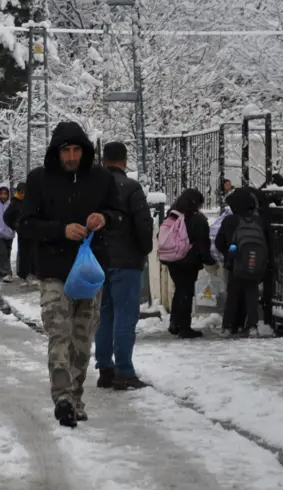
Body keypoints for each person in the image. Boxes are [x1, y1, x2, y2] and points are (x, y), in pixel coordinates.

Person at [19, 122, 120, 428]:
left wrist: (104, 218)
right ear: (57, 152)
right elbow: (26, 224)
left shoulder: (102, 179)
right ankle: (62, 397)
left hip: (89, 272)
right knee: (59, 332)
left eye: (77, 150)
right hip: (54, 271)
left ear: (85, 151)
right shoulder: (39, 180)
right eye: (67, 151)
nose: (72, 156)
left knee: (82, 338)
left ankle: (76, 396)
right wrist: (60, 230)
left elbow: (119, 215)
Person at [93, 142, 155, 391]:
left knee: (105, 314)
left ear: (103, 160)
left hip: (100, 261)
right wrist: (144, 250)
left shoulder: (94, 188)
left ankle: (105, 368)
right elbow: (143, 224)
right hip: (126, 261)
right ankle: (124, 371)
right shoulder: (130, 187)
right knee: (125, 317)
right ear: (125, 161)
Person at [161, 189, 215, 342]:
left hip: (173, 260)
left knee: (179, 291)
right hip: (189, 261)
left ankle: (175, 323)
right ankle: (184, 328)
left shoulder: (173, 215)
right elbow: (203, 243)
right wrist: (209, 261)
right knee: (186, 293)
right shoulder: (197, 219)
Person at [215, 187, 268, 337]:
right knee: (251, 294)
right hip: (254, 262)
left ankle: (228, 326)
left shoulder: (230, 220)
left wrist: (229, 254)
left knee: (233, 294)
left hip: (235, 263)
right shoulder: (258, 220)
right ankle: (252, 326)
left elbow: (219, 242)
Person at [4, 182, 33, 287]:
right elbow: (6, 216)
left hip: (31, 230)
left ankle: (30, 273)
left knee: (32, 253)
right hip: (22, 231)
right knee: (23, 253)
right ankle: (22, 275)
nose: (23, 195)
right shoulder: (14, 203)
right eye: (21, 193)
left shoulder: (29, 202)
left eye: (24, 193)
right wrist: (14, 226)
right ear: (18, 192)